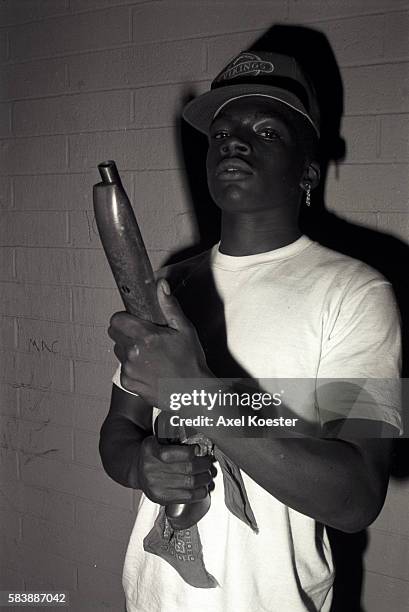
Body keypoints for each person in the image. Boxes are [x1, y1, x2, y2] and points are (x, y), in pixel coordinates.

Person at [100, 50, 402, 611]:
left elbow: (357, 497)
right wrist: (140, 465)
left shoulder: (356, 294)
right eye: (222, 133)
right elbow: (118, 431)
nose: (234, 142)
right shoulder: (167, 286)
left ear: (307, 172)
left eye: (266, 131)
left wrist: (195, 391)